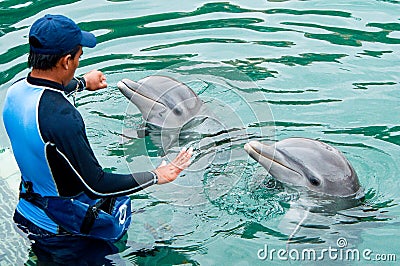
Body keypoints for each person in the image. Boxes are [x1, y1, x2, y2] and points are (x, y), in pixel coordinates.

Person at [2, 14, 192, 263]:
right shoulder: (63, 119)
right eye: (79, 56)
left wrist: (82, 83)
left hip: (29, 212)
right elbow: (96, 184)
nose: (80, 62)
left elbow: (42, 94)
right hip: (65, 234)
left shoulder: (15, 92)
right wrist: (157, 176)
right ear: (66, 61)